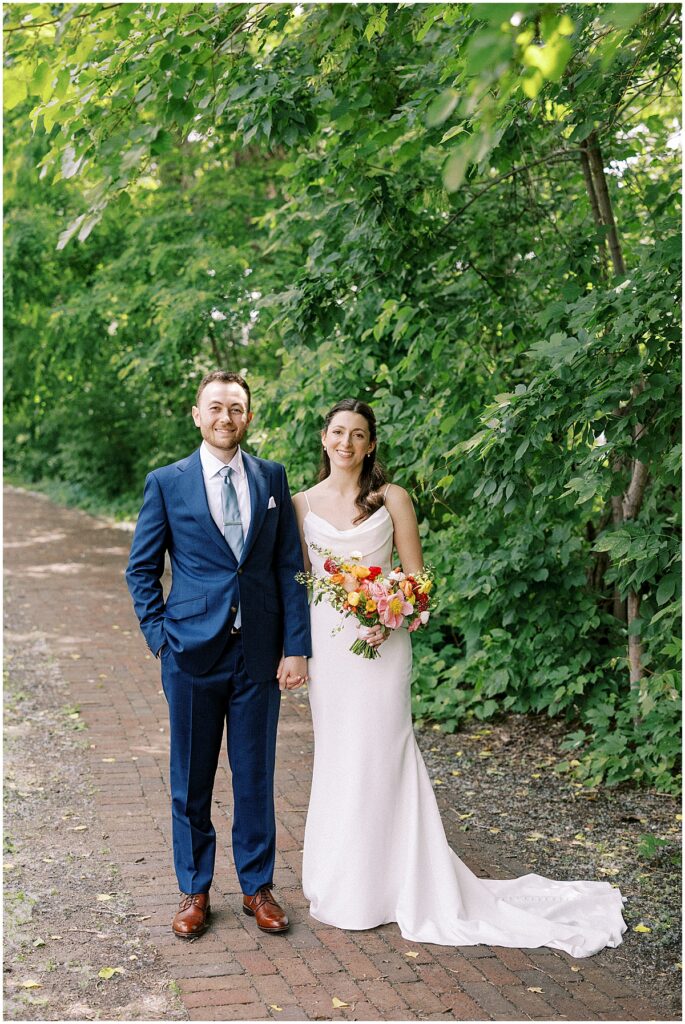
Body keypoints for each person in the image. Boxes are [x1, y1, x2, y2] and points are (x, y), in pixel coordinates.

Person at [291, 398, 627, 958]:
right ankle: (347, 885)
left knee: (384, 753)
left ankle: (402, 882)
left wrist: (388, 615)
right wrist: (295, 650)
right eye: (337, 432)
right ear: (323, 440)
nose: (346, 443)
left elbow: (418, 581)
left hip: (384, 647)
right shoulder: (300, 504)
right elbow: (297, 584)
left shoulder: (393, 498)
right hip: (330, 647)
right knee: (340, 756)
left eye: (358, 434)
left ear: (371, 444)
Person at [126, 370, 310, 939]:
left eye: (236, 408)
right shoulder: (167, 482)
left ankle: (258, 888)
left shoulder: (272, 478)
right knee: (191, 779)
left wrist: (296, 648)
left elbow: (288, 569)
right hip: (190, 654)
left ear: (247, 416)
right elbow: (141, 569)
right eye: (215, 408)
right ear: (197, 414)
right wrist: (161, 639)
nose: (225, 417)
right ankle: (195, 890)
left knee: (255, 776)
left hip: (258, 654)